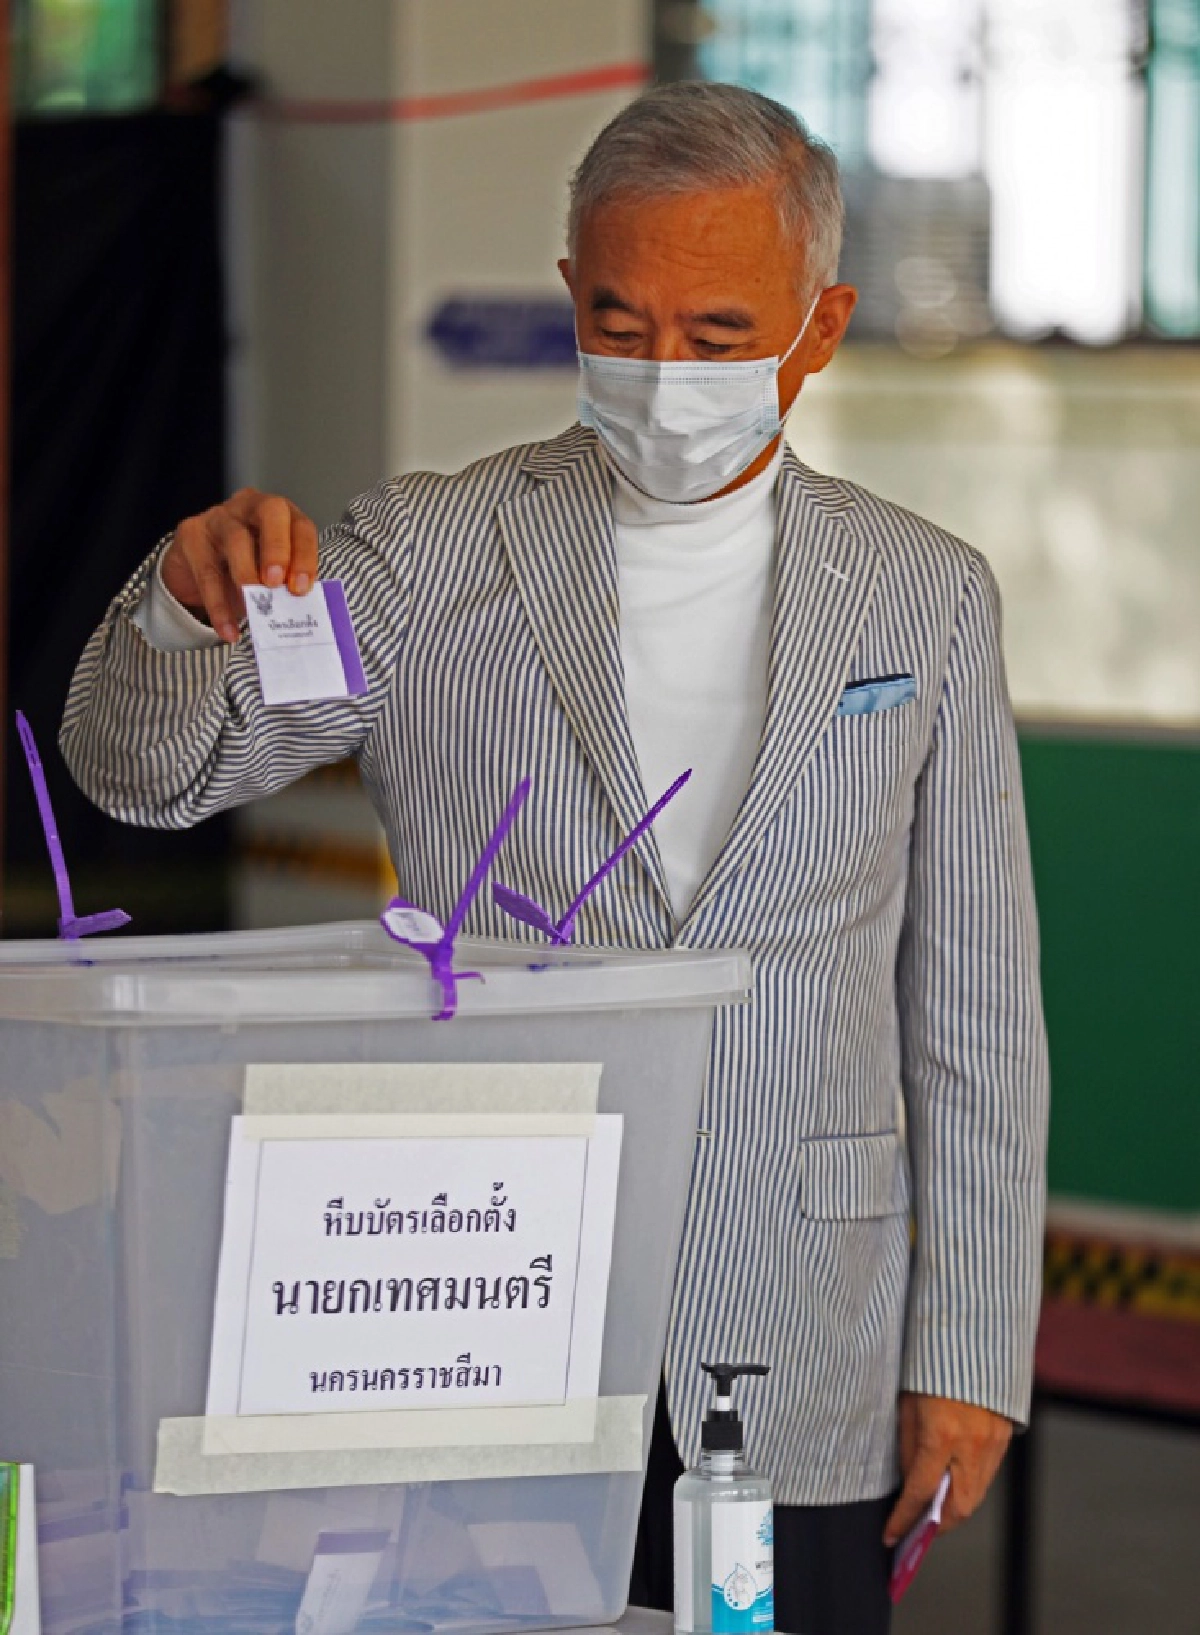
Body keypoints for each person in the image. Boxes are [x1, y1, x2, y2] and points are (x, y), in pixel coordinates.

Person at [60, 81, 1048, 1635]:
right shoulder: (431, 553)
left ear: (822, 322)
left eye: (719, 335)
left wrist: (972, 1351)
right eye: (620, 320)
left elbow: (979, 1009)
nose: (665, 376)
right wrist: (187, 612)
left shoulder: (926, 599)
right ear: (570, 293)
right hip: (480, 1298)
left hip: (803, 1318)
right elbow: (152, 771)